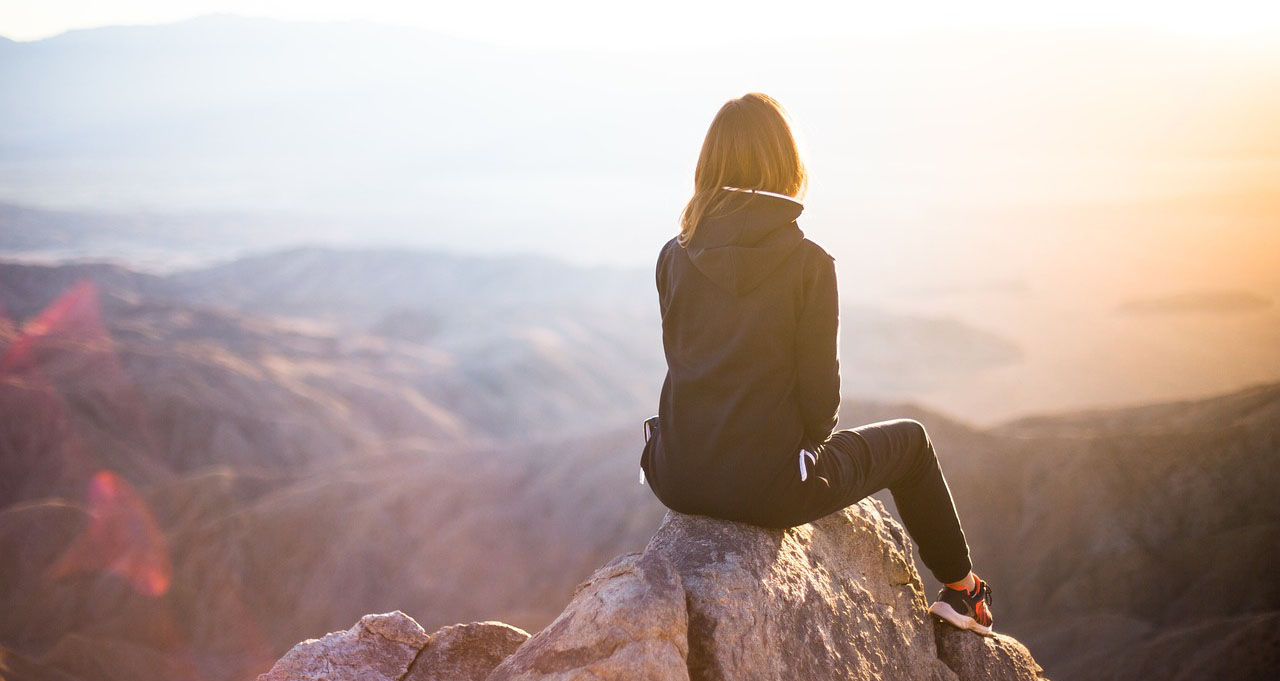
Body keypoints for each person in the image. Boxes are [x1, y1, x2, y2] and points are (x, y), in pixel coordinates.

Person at [637, 92, 994, 635]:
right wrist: (796, 456)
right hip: (771, 490)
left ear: (708, 166)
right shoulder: (809, 265)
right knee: (914, 444)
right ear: (786, 165)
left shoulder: (673, 253)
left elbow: (685, 361)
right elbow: (821, 403)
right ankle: (963, 592)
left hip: (675, 474)